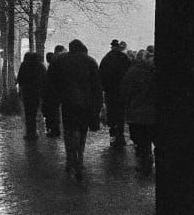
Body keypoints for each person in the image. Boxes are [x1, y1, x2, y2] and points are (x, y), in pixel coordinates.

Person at [49, 39, 103, 180]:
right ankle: (80, 158)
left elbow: (51, 84)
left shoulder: (60, 61)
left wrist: (53, 103)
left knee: (69, 130)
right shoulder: (90, 61)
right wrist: (97, 106)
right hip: (85, 103)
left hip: (67, 102)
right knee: (82, 131)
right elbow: (97, 87)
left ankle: (70, 158)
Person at [121, 46, 157, 172]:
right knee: (153, 137)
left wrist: (127, 107)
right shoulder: (155, 72)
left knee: (141, 140)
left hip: (136, 113)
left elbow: (125, 92)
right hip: (153, 113)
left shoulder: (132, 72)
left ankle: (144, 161)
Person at [98, 37, 131, 148]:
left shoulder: (106, 58)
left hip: (110, 92)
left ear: (112, 47)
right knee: (121, 114)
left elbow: (101, 75)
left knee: (112, 113)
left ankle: (113, 136)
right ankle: (120, 136)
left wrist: (104, 88)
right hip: (121, 91)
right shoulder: (124, 58)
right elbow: (129, 73)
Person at [16, 51, 46, 139]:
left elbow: (19, 78)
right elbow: (44, 78)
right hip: (37, 92)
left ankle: (30, 132)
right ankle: (35, 131)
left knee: (28, 113)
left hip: (27, 92)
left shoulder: (24, 65)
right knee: (35, 111)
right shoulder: (40, 66)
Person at [41, 46, 66, 137]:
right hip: (57, 92)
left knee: (52, 112)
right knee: (54, 111)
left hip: (52, 92)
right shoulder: (59, 63)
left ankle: (54, 130)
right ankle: (56, 129)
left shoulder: (53, 65)